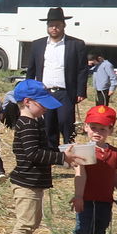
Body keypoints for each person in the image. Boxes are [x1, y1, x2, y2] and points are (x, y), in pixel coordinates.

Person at [4, 79, 87, 234]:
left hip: (34, 181)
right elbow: (33, 154)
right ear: (27, 102)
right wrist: (61, 158)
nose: (45, 109)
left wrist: (60, 153)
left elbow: (41, 150)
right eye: (42, 104)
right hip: (26, 183)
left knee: (32, 222)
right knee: (25, 223)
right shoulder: (27, 125)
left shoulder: (34, 122)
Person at [67, 105, 117, 234]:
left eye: (102, 128)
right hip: (87, 198)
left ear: (110, 130)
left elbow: (116, 175)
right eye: (93, 127)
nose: (97, 132)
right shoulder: (82, 151)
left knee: (99, 231)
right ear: (85, 127)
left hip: (105, 199)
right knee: (81, 231)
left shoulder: (114, 153)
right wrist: (78, 196)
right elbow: (80, 173)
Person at [23, 7, 88, 145]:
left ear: (64, 25)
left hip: (65, 91)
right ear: (47, 27)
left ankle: (68, 151)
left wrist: (81, 91)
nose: (54, 28)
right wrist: (27, 90)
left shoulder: (76, 44)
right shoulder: (37, 45)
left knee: (65, 121)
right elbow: (31, 70)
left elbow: (82, 69)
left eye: (57, 25)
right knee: (48, 123)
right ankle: (52, 154)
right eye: (51, 25)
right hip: (44, 91)